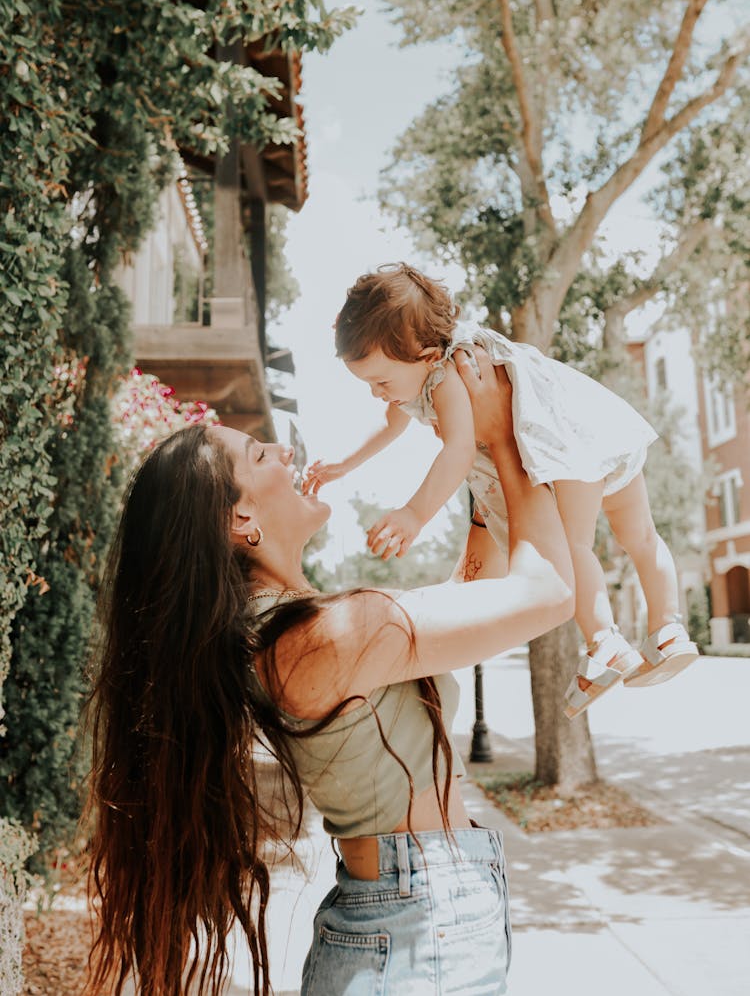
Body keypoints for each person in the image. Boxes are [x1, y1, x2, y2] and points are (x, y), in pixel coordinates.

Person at [84, 347, 573, 996]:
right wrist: (507, 439)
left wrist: (480, 479)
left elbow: (468, 600)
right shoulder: (319, 639)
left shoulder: (294, 630)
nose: (287, 453)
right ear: (242, 518)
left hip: (411, 922)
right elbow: (550, 593)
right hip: (416, 932)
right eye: (261, 455)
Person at [305, 262, 698, 719]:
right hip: (601, 425)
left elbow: (455, 453)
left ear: (425, 353)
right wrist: (344, 464)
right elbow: (390, 425)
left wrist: (414, 513)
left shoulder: (450, 373)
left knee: (571, 549)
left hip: (566, 450)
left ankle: (605, 643)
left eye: (381, 381)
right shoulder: (422, 371)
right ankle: (668, 629)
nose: (377, 393)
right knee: (642, 537)